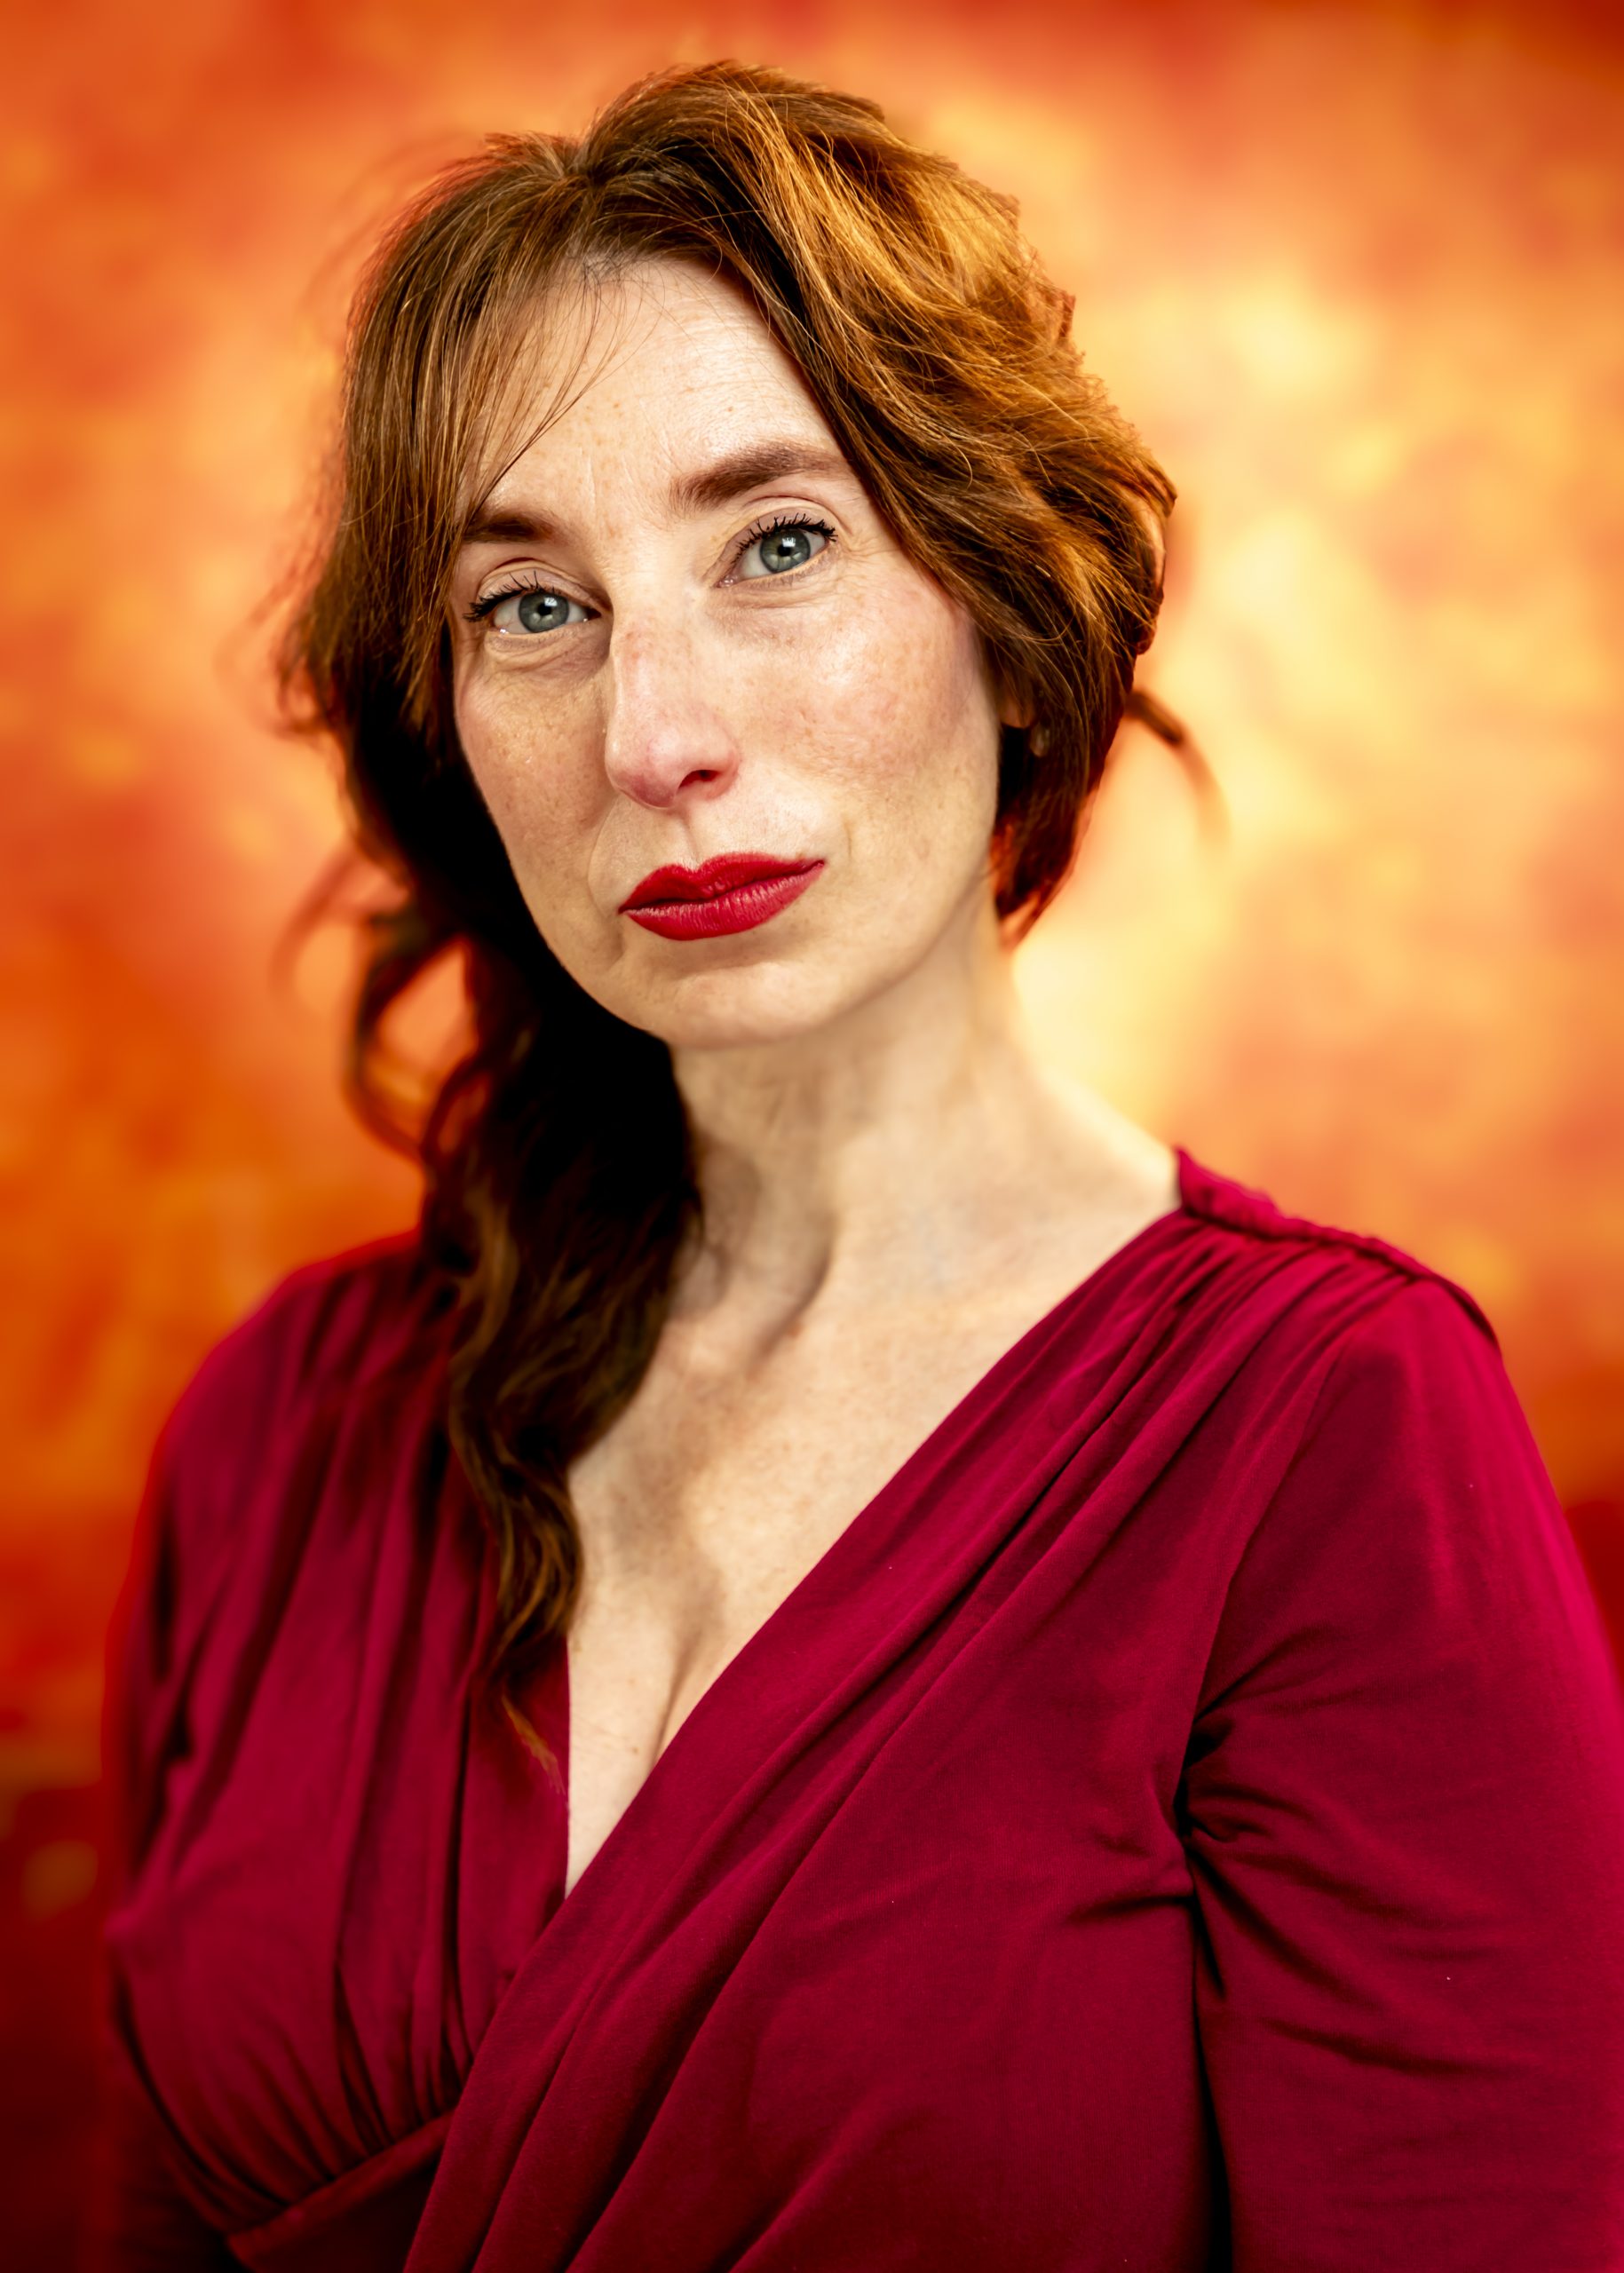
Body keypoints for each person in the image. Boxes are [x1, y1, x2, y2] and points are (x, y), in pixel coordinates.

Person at [88, 60, 1624, 2273]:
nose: (656, 732)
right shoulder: (277, 1433)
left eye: (779, 544)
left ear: (1009, 602)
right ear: (447, 714)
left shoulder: (1335, 1435)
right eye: (534, 604)